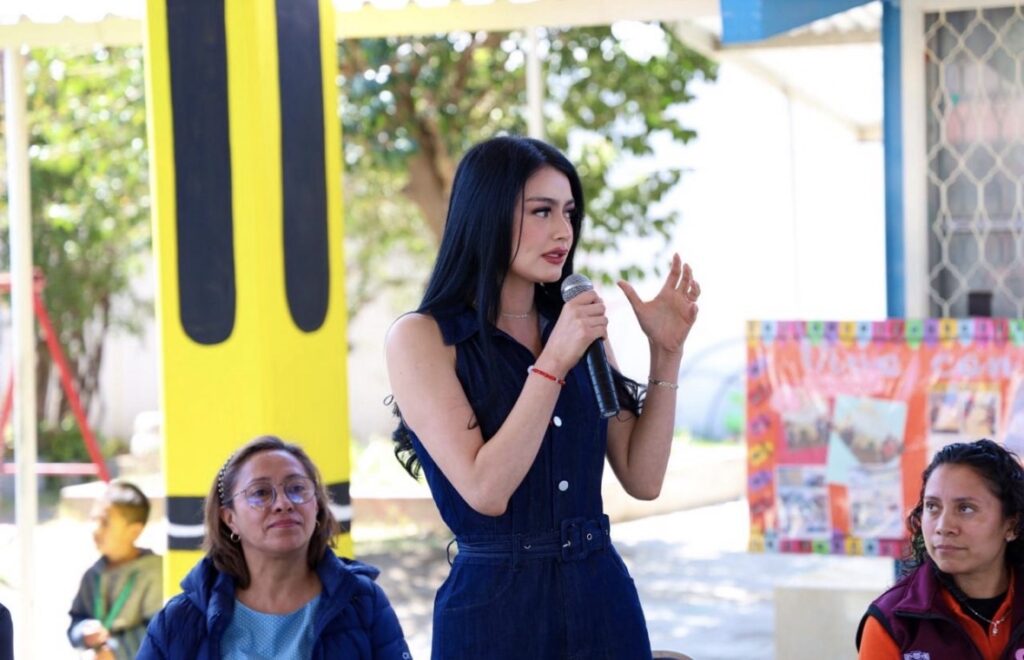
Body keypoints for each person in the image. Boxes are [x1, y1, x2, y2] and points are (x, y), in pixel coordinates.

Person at [386, 136, 700, 658]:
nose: (563, 231)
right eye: (541, 211)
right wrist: (552, 361)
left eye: (569, 213)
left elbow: (643, 479)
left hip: (603, 599)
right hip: (494, 612)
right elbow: (486, 490)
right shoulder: (422, 338)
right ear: (486, 214)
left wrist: (665, 354)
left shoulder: (577, 327)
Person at [137, 435, 411, 659]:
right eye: (260, 493)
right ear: (230, 519)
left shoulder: (362, 601)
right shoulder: (180, 620)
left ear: (316, 505)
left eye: (297, 488)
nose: (283, 503)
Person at [856, 439, 1024, 659]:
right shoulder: (893, 622)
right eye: (932, 507)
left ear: (1011, 525)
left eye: (965, 508)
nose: (943, 527)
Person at [68, 480, 163, 660]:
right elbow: (76, 619)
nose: (95, 529)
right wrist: (83, 632)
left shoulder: (155, 573)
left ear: (134, 531)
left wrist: (115, 652)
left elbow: (161, 632)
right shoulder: (93, 575)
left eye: (105, 522)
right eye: (94, 519)